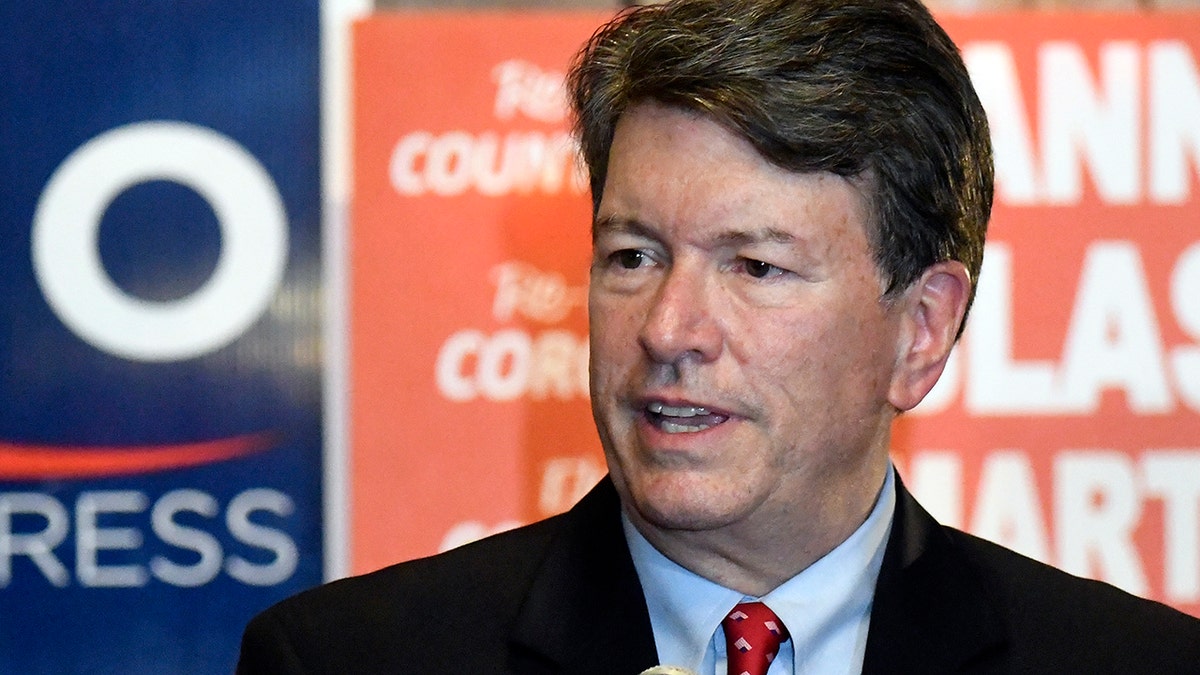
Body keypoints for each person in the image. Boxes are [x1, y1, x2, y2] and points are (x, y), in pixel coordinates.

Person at [237, 1, 1200, 673]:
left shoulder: (1131, 663)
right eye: (632, 255)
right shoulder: (347, 658)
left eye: (755, 266)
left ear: (922, 328)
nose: (667, 329)